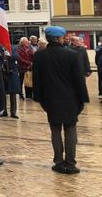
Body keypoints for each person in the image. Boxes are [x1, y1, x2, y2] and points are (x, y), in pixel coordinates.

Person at [33, 26, 89, 175]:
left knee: (55, 129)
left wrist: (39, 98)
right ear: (59, 38)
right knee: (70, 130)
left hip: (50, 100)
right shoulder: (72, 55)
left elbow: (36, 80)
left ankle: (58, 162)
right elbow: (79, 80)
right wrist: (83, 99)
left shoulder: (39, 56)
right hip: (70, 99)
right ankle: (70, 163)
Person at [0, 42, 20, 118]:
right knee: (2, 92)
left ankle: (13, 112)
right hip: (2, 73)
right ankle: (4, 110)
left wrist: (10, 55)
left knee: (13, 93)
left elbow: (17, 57)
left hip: (11, 73)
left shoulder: (13, 48)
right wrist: (1, 56)